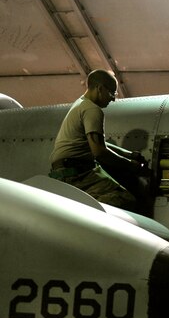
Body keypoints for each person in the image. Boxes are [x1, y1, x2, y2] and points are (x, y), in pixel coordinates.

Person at [49, 69, 147, 212]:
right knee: (124, 199)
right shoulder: (92, 110)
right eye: (111, 93)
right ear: (100, 88)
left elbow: (96, 143)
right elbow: (99, 152)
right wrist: (130, 166)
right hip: (77, 174)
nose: (113, 98)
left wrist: (129, 154)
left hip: (64, 171)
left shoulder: (80, 103)